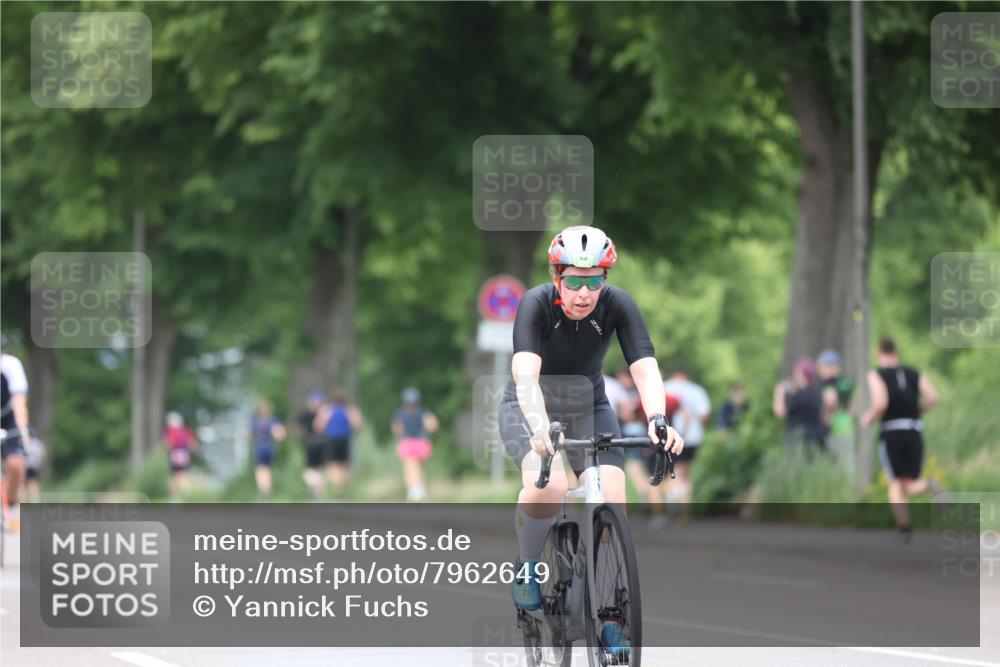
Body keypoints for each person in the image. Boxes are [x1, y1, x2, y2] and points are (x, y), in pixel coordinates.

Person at [497, 225, 683, 658]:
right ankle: (527, 565)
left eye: (595, 279)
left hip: (588, 404)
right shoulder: (535, 304)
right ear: (557, 276)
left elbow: (644, 368)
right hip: (529, 406)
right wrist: (540, 427)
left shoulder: (618, 305)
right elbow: (526, 376)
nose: (585, 292)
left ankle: (610, 616)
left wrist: (658, 419)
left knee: (613, 495)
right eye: (575, 280)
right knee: (553, 484)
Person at [862, 336, 943, 543]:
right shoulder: (913, 372)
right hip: (914, 430)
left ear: (878, 353)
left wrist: (868, 418)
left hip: (892, 432)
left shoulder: (876, 374)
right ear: (896, 353)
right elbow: (933, 397)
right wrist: (917, 411)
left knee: (895, 483)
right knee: (910, 484)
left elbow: (881, 403)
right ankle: (930, 484)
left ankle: (904, 529)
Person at [663, 369, 711, 513]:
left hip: (672, 435)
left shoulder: (665, 386)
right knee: (686, 472)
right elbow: (704, 415)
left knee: (673, 469)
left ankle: (673, 498)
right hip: (693, 437)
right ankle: (684, 506)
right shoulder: (697, 390)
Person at [1, 347, 31, 532]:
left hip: (7, 418)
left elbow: (19, 403)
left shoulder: (11, 365)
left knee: (15, 464)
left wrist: (23, 432)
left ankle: (10, 501)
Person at [315, 388, 363, 499]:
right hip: (345, 439)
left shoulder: (328, 410)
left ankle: (336, 490)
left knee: (333, 465)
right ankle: (341, 490)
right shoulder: (348, 410)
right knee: (344, 466)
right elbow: (358, 424)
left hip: (332, 440)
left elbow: (318, 426)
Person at [392, 387, 438, 502]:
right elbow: (433, 425)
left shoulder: (402, 413)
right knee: (417, 467)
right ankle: (418, 489)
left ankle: (414, 489)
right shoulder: (423, 412)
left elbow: (396, 429)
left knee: (411, 467)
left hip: (411, 442)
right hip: (420, 442)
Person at [773, 357, 826, 452]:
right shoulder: (816, 392)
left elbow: (780, 412)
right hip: (816, 438)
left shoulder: (799, 395)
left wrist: (779, 393)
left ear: (802, 374)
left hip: (798, 439)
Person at [817, 349, 856, 471]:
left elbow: (830, 401)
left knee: (834, 466)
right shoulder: (846, 383)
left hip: (833, 429)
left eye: (822, 366)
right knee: (846, 466)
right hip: (847, 427)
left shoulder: (827, 384)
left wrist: (827, 415)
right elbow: (853, 407)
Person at [249, 399, 286, 500]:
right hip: (270, 447)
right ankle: (267, 492)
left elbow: (251, 436)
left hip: (260, 447)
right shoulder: (272, 420)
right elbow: (279, 434)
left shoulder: (255, 421)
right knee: (267, 470)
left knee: (261, 471)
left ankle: (264, 493)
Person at [297, 390, 329, 500]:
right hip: (319, 443)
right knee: (318, 470)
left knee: (313, 471)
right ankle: (318, 495)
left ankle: (316, 494)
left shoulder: (308, 414)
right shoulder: (324, 413)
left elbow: (296, 427)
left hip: (312, 443)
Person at [163, 411, 197, 501]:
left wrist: (164, 449)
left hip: (175, 454)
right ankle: (188, 494)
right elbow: (192, 444)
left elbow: (169, 444)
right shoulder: (185, 431)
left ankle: (174, 497)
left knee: (174, 476)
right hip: (185, 454)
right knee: (183, 474)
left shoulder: (172, 431)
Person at [23, 428, 47, 502]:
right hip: (36, 466)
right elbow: (44, 455)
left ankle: (31, 498)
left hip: (28, 465)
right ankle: (34, 498)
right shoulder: (38, 443)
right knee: (33, 482)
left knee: (29, 482)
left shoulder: (27, 442)